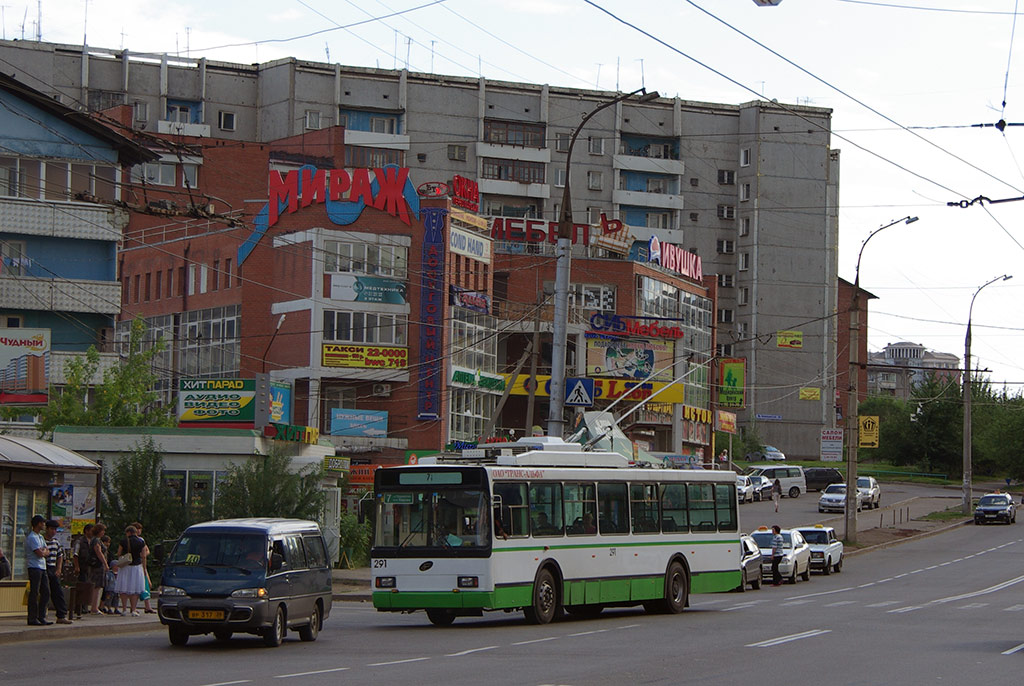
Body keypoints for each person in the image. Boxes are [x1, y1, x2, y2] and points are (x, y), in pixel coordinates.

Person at [114, 525, 148, 617]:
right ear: (135, 532)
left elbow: (119, 553)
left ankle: (124, 609)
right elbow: (144, 555)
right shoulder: (141, 542)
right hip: (136, 567)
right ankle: (133, 610)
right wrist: (144, 568)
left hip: (125, 566)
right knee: (135, 589)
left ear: (128, 532)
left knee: (124, 587)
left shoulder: (123, 541)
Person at [43, 520, 72, 624]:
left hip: (53, 568)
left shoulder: (56, 543)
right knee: (44, 592)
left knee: (57, 592)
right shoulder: (42, 541)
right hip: (43, 568)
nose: (53, 531)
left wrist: (59, 568)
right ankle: (41, 614)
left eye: (55, 530)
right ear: (47, 529)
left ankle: (61, 615)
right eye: (51, 529)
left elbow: (60, 556)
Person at [25, 514, 51, 626]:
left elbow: (47, 551)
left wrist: (44, 552)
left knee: (45, 592)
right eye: (43, 523)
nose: (44, 525)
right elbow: (39, 553)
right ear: (38, 524)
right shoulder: (32, 537)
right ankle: (32, 617)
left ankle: (42, 616)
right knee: (34, 592)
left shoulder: (40, 537)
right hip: (34, 567)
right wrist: (43, 552)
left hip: (42, 567)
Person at [132, 522, 155, 613]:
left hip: (141, 564)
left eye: (140, 528)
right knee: (140, 584)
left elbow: (147, 551)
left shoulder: (141, 540)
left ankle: (147, 606)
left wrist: (144, 553)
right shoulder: (135, 541)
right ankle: (141, 606)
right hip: (138, 565)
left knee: (146, 584)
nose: (139, 530)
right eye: (137, 528)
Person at [72, 523, 94, 619]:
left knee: (87, 587)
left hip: (89, 567)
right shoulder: (80, 541)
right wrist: (77, 566)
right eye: (91, 531)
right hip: (81, 566)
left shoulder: (92, 541)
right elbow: (75, 555)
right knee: (81, 587)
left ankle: (85, 606)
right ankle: (78, 608)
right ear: (87, 531)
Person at [87, 523, 109, 615]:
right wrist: (105, 563)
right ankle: (94, 607)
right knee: (97, 586)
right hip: (97, 565)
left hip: (95, 565)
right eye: (102, 530)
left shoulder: (94, 540)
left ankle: (94, 606)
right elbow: (99, 552)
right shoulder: (96, 541)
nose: (103, 532)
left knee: (97, 586)